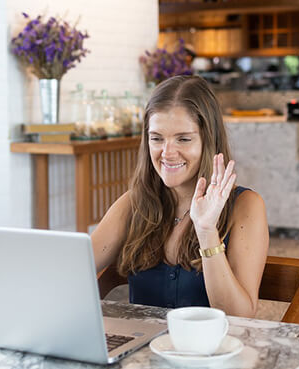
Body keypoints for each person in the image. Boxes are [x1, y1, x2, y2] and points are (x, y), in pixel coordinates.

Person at [91, 75, 269, 318]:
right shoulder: (134, 203)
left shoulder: (246, 206)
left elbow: (239, 317)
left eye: (183, 139)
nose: (167, 153)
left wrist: (206, 231)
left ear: (209, 139)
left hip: (214, 343)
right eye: (157, 138)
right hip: (144, 343)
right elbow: (75, 268)